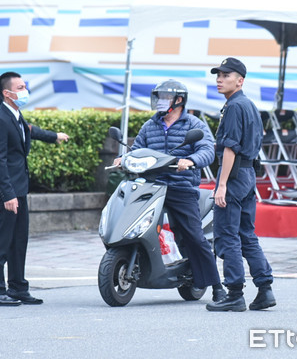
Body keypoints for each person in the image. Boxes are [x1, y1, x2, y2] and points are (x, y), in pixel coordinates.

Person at [113, 79, 226, 302]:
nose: (160, 101)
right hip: (151, 186)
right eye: (159, 97)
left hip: (180, 187)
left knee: (194, 235)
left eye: (165, 97)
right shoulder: (150, 125)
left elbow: (207, 151)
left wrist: (191, 160)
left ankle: (217, 287)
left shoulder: (194, 125)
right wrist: (123, 158)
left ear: (179, 100)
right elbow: (137, 150)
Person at [0, 71, 69, 306]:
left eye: (24, 86)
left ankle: (17, 288)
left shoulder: (15, 115)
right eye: (20, 87)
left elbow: (29, 130)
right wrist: (8, 195)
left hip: (19, 188)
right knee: (1, 240)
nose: (24, 91)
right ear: (7, 94)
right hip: (4, 190)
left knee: (19, 240)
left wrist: (54, 136)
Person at [205, 57, 276, 312]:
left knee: (227, 235)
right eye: (218, 75)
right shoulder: (249, 105)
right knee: (247, 234)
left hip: (234, 177)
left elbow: (229, 149)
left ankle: (234, 294)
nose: (219, 79)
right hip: (247, 175)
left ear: (240, 80)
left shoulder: (235, 107)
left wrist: (221, 185)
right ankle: (264, 289)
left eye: (226, 75)